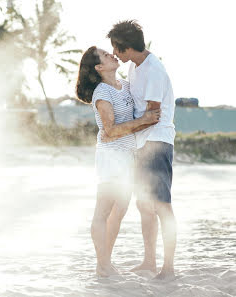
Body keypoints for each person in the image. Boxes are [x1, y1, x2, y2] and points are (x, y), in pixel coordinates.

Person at [76, 46, 160, 277]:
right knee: (103, 212)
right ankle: (102, 265)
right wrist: (143, 120)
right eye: (106, 54)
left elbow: (122, 126)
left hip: (128, 157)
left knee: (119, 210)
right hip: (112, 158)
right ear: (99, 67)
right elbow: (110, 131)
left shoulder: (125, 85)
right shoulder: (103, 92)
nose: (113, 54)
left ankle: (105, 261)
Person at [107, 20, 177, 280]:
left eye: (115, 48)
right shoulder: (136, 67)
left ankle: (168, 267)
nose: (114, 53)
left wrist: (119, 131)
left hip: (156, 142)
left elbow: (153, 114)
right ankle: (149, 261)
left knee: (161, 206)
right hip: (141, 143)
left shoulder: (153, 70)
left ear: (125, 47)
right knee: (144, 204)